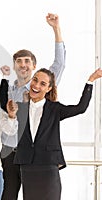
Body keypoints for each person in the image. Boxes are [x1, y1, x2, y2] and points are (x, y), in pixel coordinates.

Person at [0, 13, 66, 200]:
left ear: (34, 65)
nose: (23, 65)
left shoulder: (41, 86)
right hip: (10, 153)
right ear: (15, 66)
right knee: (8, 195)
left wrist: (56, 29)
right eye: (19, 61)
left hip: (33, 157)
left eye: (27, 61)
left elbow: (59, 64)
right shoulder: (8, 91)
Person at [14, 67, 102, 200]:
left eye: (42, 84)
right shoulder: (19, 108)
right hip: (28, 167)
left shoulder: (55, 109)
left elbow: (80, 108)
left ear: (49, 88)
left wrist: (91, 80)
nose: (36, 85)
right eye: (35, 80)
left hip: (48, 166)